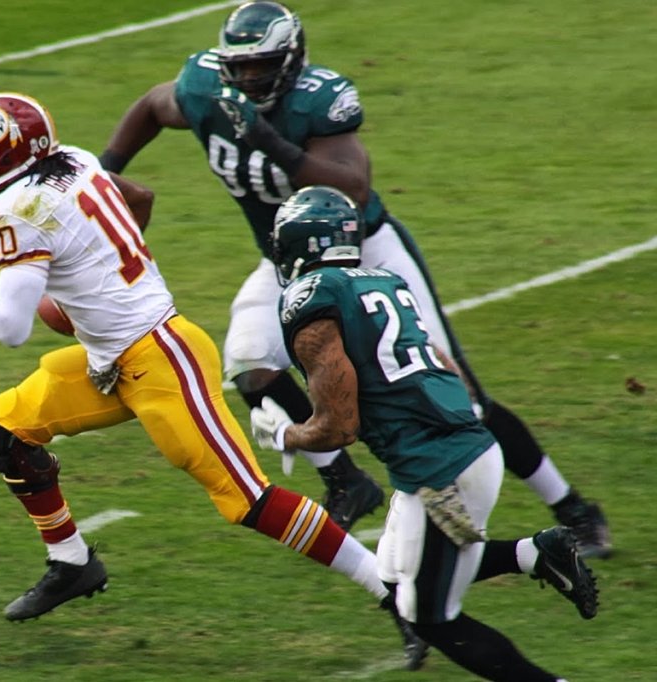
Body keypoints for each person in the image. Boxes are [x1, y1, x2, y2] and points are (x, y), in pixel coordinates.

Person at [0, 92, 427, 667]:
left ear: (6, 157)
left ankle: (396, 596)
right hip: (111, 359)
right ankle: (73, 562)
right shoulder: (76, 159)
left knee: (249, 500)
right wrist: (102, 280)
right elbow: (137, 196)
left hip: (162, 359)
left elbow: (9, 327)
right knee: (6, 427)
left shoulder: (13, 212)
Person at [98, 0, 612, 557]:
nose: (248, 78)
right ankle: (346, 480)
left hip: (364, 251)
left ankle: (573, 509)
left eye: (261, 66)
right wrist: (105, 174)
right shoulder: (205, 88)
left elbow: (352, 187)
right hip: (288, 263)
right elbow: (153, 105)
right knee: (250, 364)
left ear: (291, 59)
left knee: (462, 397)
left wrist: (270, 141)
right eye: (239, 68)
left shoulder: (319, 99)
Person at [250, 184, 598, 681]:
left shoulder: (311, 300)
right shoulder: (383, 281)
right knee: (395, 575)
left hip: (442, 468)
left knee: (429, 617)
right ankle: (536, 553)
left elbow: (340, 427)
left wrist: (288, 435)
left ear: (300, 246)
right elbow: (443, 363)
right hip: (456, 446)